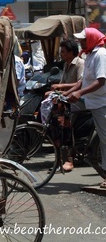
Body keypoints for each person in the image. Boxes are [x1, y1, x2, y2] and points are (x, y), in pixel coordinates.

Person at [65, 27, 106, 188]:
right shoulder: (89, 55)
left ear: (91, 39)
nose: (81, 42)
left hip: (101, 102)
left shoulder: (101, 55)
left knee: (105, 140)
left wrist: (79, 92)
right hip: (91, 101)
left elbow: (101, 81)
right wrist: (67, 93)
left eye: (83, 39)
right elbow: (83, 81)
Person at [46, 39, 84, 171]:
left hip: (78, 101)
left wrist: (62, 87)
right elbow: (62, 86)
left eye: (63, 52)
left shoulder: (80, 64)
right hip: (66, 100)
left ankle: (69, 160)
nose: (61, 54)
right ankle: (58, 160)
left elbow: (80, 83)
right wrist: (53, 92)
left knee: (65, 126)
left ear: (71, 52)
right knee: (54, 124)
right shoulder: (66, 65)